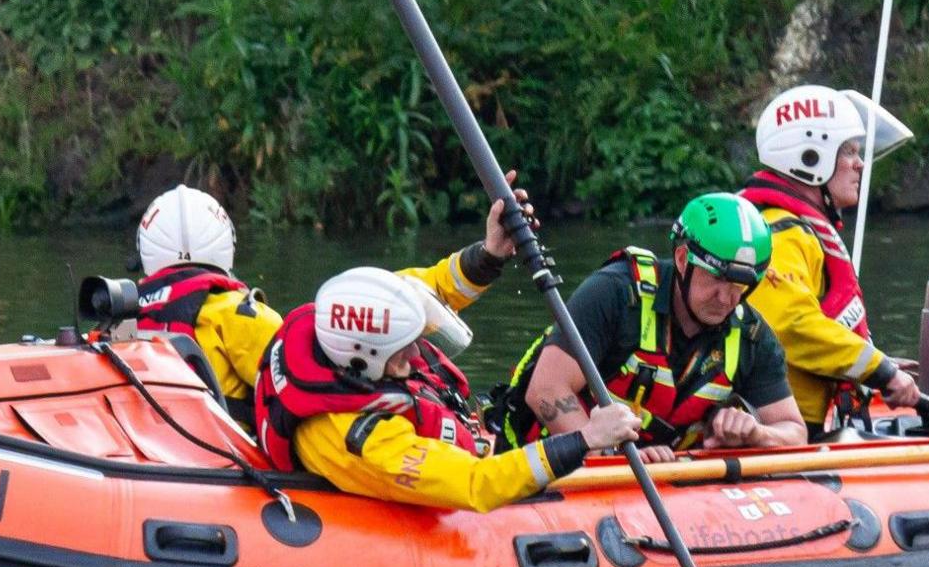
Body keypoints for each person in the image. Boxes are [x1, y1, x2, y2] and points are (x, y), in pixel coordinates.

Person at [130, 179, 533, 432]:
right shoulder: (237, 315)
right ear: (227, 243)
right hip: (232, 470)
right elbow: (341, 341)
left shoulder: (125, 321)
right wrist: (487, 258)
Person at [255, 267, 643, 511]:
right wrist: (585, 439)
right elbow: (476, 483)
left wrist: (489, 252)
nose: (417, 354)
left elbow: (428, 286)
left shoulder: (353, 324)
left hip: (480, 437)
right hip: (470, 469)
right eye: (405, 349)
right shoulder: (359, 441)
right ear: (365, 357)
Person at [490, 193, 807, 459]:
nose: (727, 298)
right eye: (718, 278)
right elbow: (546, 390)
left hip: (657, 485)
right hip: (560, 471)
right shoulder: (615, 292)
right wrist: (615, 459)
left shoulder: (750, 334)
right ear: (682, 259)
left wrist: (756, 433)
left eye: (741, 285)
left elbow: (794, 431)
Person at [742, 87, 924, 438]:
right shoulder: (780, 233)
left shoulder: (798, 229)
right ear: (810, 157)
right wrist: (880, 370)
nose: (860, 164)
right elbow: (791, 326)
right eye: (849, 152)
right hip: (775, 427)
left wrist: (875, 363)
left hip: (797, 421)